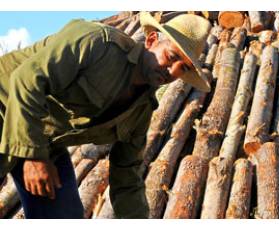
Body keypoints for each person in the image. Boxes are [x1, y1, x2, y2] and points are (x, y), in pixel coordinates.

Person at [0, 12, 211, 218]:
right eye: (171, 56)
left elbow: (127, 176)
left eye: (183, 68)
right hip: (5, 106)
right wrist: (34, 156)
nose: (172, 72)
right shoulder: (97, 43)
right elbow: (26, 80)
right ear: (151, 40)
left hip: (44, 139)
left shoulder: (141, 111)